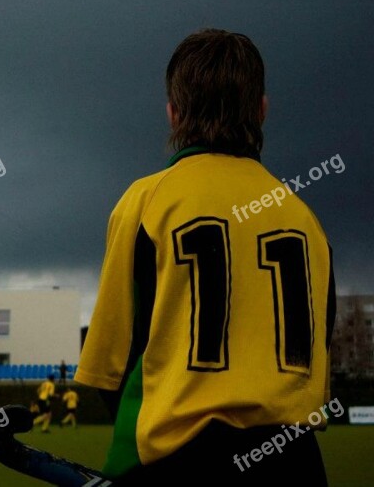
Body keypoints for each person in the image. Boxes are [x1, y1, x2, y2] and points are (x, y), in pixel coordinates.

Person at [75, 28, 336, 485]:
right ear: (261, 110)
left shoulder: (145, 201)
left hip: (180, 464)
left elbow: (108, 371)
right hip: (297, 466)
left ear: (174, 114)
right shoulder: (307, 221)